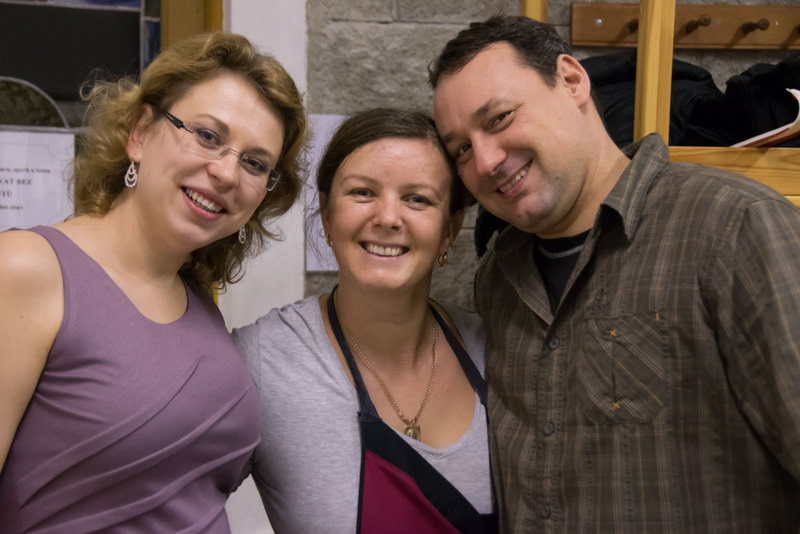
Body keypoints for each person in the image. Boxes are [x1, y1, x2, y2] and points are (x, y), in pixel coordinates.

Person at [429, 14, 800, 533]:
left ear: (572, 80)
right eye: (462, 149)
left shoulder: (735, 226)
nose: (486, 161)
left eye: (499, 118)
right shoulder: (497, 277)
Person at [0, 32, 307, 532]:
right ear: (141, 133)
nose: (227, 173)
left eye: (255, 163)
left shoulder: (197, 303)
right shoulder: (24, 268)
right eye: (207, 135)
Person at [232, 108, 497, 533]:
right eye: (362, 192)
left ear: (450, 229)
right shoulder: (263, 363)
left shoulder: (496, 353)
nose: (388, 218)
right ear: (327, 214)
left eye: (417, 199)